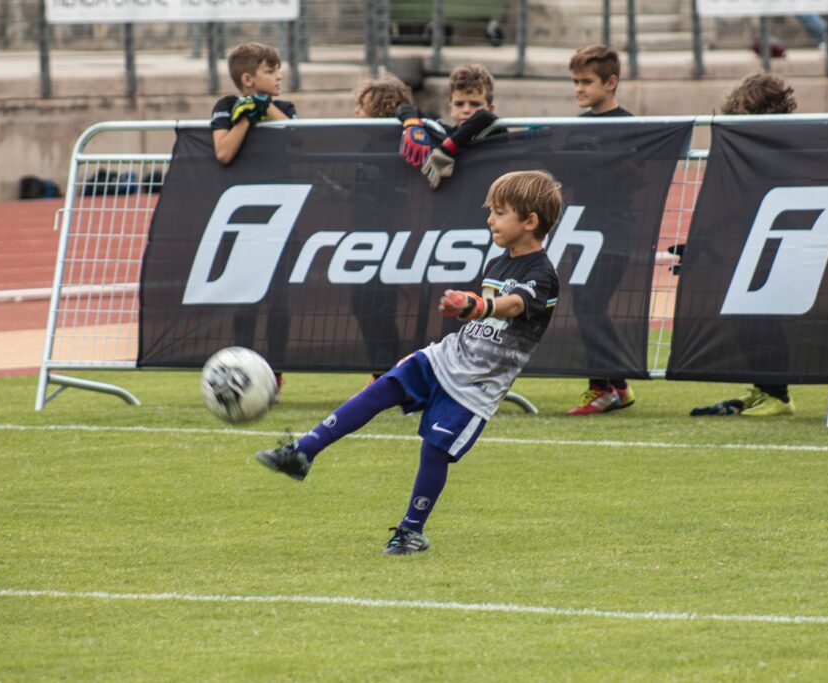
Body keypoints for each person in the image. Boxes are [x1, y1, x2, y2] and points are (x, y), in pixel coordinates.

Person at [255, 170, 563, 555]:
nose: (490, 220)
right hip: (444, 358)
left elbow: (515, 305)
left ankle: (411, 531)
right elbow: (485, 319)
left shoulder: (542, 274)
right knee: (380, 390)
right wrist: (463, 319)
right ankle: (304, 451)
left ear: (530, 221)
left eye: (500, 213)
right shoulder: (500, 262)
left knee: (434, 451)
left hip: (476, 386)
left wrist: (477, 305)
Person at [690, 73, 799, 418]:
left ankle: (777, 394)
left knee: (762, 317)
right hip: (751, 241)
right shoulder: (751, 153)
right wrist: (704, 238)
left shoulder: (780, 149)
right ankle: (763, 387)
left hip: (777, 242)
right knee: (745, 315)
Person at [210, 42, 298, 397]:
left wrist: (266, 108)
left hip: (283, 216)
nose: (279, 76)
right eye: (270, 71)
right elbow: (223, 152)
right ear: (248, 79)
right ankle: (241, 370)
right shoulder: (226, 106)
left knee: (280, 300)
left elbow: (298, 138)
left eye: (278, 70)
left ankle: (273, 374)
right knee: (245, 300)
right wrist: (247, 116)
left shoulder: (284, 108)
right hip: (244, 218)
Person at [563, 44, 636, 415]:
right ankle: (617, 385)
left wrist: (606, 163)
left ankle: (603, 387)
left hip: (615, 233)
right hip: (582, 233)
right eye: (576, 82)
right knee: (586, 304)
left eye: (586, 82)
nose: (579, 89)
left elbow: (637, 177)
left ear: (611, 82)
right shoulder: (576, 128)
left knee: (590, 304)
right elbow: (565, 171)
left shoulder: (632, 127)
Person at [351, 76, 418, 384]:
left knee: (379, 307)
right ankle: (384, 374)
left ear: (383, 108)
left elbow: (398, 200)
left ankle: (389, 376)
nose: (356, 112)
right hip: (363, 239)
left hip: (388, 239)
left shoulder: (399, 143)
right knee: (364, 305)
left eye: (362, 105)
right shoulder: (367, 146)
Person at [396, 63, 500, 190]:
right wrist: (412, 126)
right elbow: (404, 108)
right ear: (451, 107)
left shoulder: (495, 132)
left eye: (475, 104)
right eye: (459, 104)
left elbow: (484, 117)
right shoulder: (443, 131)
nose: (466, 110)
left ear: (490, 108)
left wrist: (447, 150)